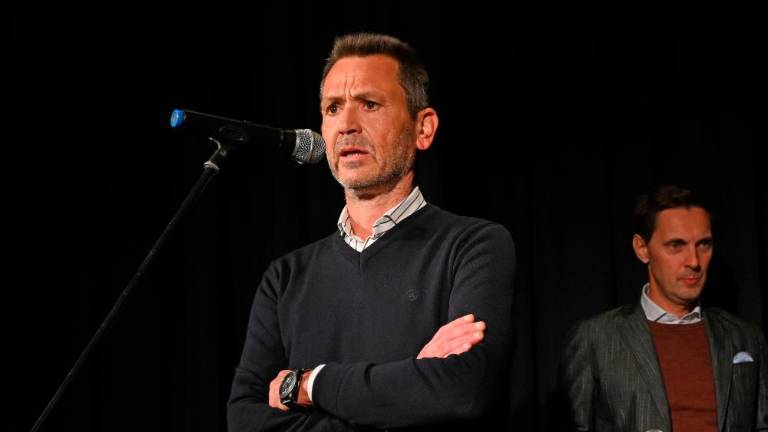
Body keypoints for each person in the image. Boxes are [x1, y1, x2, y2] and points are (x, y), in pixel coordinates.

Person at [227, 33, 516, 431]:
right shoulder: (285, 278)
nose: (347, 125)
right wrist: (409, 387)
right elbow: (244, 419)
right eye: (333, 108)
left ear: (423, 128)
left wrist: (310, 384)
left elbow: (462, 392)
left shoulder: (473, 247)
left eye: (370, 104)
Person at [558, 184, 768, 431]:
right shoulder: (595, 340)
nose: (694, 261)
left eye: (703, 244)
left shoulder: (744, 337)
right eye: (676, 245)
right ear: (642, 249)